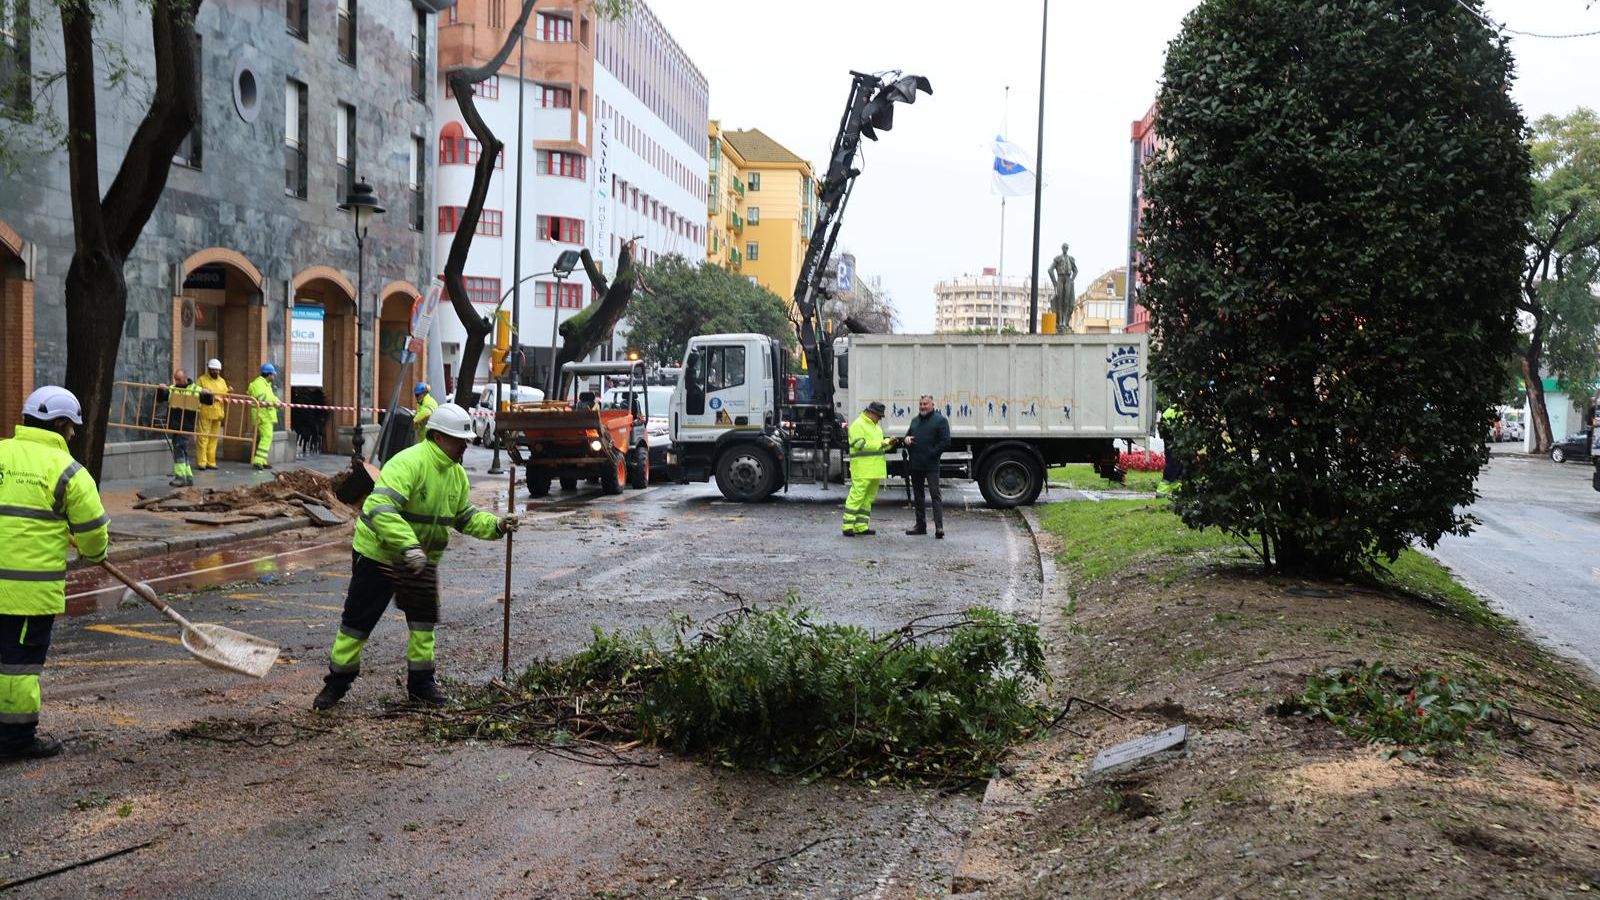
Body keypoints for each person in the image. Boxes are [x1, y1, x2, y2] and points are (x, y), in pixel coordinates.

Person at [312, 402, 519, 710]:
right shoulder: (408, 463)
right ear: (438, 437)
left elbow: (464, 517)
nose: (465, 446)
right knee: (357, 624)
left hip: (420, 559)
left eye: (466, 441)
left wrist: (497, 525)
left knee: (423, 626)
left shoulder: (456, 475)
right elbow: (380, 510)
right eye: (459, 440)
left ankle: (422, 686)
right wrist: (408, 546)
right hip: (379, 554)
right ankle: (336, 684)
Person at [0, 387, 110, 761]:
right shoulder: (68, 472)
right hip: (26, 594)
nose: (74, 435)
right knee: (17, 666)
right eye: (72, 426)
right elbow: (94, 532)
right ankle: (14, 739)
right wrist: (93, 551)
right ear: (59, 424)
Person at [842, 401, 897, 537]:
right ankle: (848, 525)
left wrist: (889, 444)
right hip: (862, 469)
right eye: (879, 416)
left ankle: (861, 526)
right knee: (857, 496)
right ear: (871, 413)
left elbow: (878, 447)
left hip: (874, 470)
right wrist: (882, 443)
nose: (880, 419)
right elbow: (860, 444)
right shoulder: (858, 425)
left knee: (868, 498)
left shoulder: (875, 427)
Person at [903, 394, 951, 538]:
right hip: (915, 463)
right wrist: (906, 440)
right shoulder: (915, 421)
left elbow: (945, 442)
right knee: (918, 496)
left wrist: (931, 453)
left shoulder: (940, 420)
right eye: (921, 404)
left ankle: (939, 527)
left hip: (931, 464)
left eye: (926, 404)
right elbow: (907, 437)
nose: (923, 406)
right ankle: (920, 526)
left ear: (932, 405)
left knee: (935, 495)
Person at [161, 369, 200, 486]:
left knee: (179, 448)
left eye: (179, 379)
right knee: (182, 449)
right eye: (175, 379)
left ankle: (180, 477)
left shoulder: (195, 389)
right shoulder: (173, 388)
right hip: (176, 424)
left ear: (185, 378)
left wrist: (207, 394)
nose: (177, 382)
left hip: (186, 425)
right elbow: (163, 398)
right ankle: (188, 476)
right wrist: (161, 389)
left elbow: (207, 400)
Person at [194, 358, 229, 471]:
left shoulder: (222, 381)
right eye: (213, 370)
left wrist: (229, 392)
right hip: (206, 412)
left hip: (218, 414)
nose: (216, 372)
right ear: (208, 369)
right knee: (203, 438)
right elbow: (196, 392)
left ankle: (211, 461)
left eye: (217, 370)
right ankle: (202, 462)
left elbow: (224, 395)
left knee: (214, 439)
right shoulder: (201, 380)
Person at [247, 362, 280, 471]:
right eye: (273, 374)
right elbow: (261, 398)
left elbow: (271, 397)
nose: (274, 376)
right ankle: (258, 461)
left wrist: (278, 402)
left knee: (265, 438)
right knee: (267, 437)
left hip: (267, 415)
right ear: (268, 374)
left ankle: (263, 460)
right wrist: (275, 403)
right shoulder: (258, 384)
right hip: (262, 415)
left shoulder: (266, 385)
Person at [1158, 404, 1185, 494]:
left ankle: (1177, 490)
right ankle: (1162, 492)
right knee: (1174, 463)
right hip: (1173, 440)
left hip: (1170, 440)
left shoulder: (1173, 409)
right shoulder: (1177, 411)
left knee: (1178, 465)